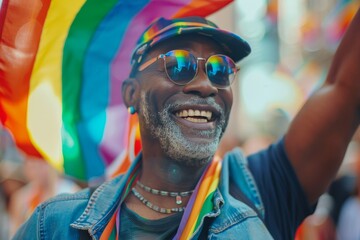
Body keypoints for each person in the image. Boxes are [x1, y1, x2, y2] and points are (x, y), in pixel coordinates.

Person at [13, 8, 360, 239]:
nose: (207, 85)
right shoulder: (55, 225)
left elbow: (344, 89)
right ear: (132, 94)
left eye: (220, 69)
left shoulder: (261, 191)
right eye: (178, 65)